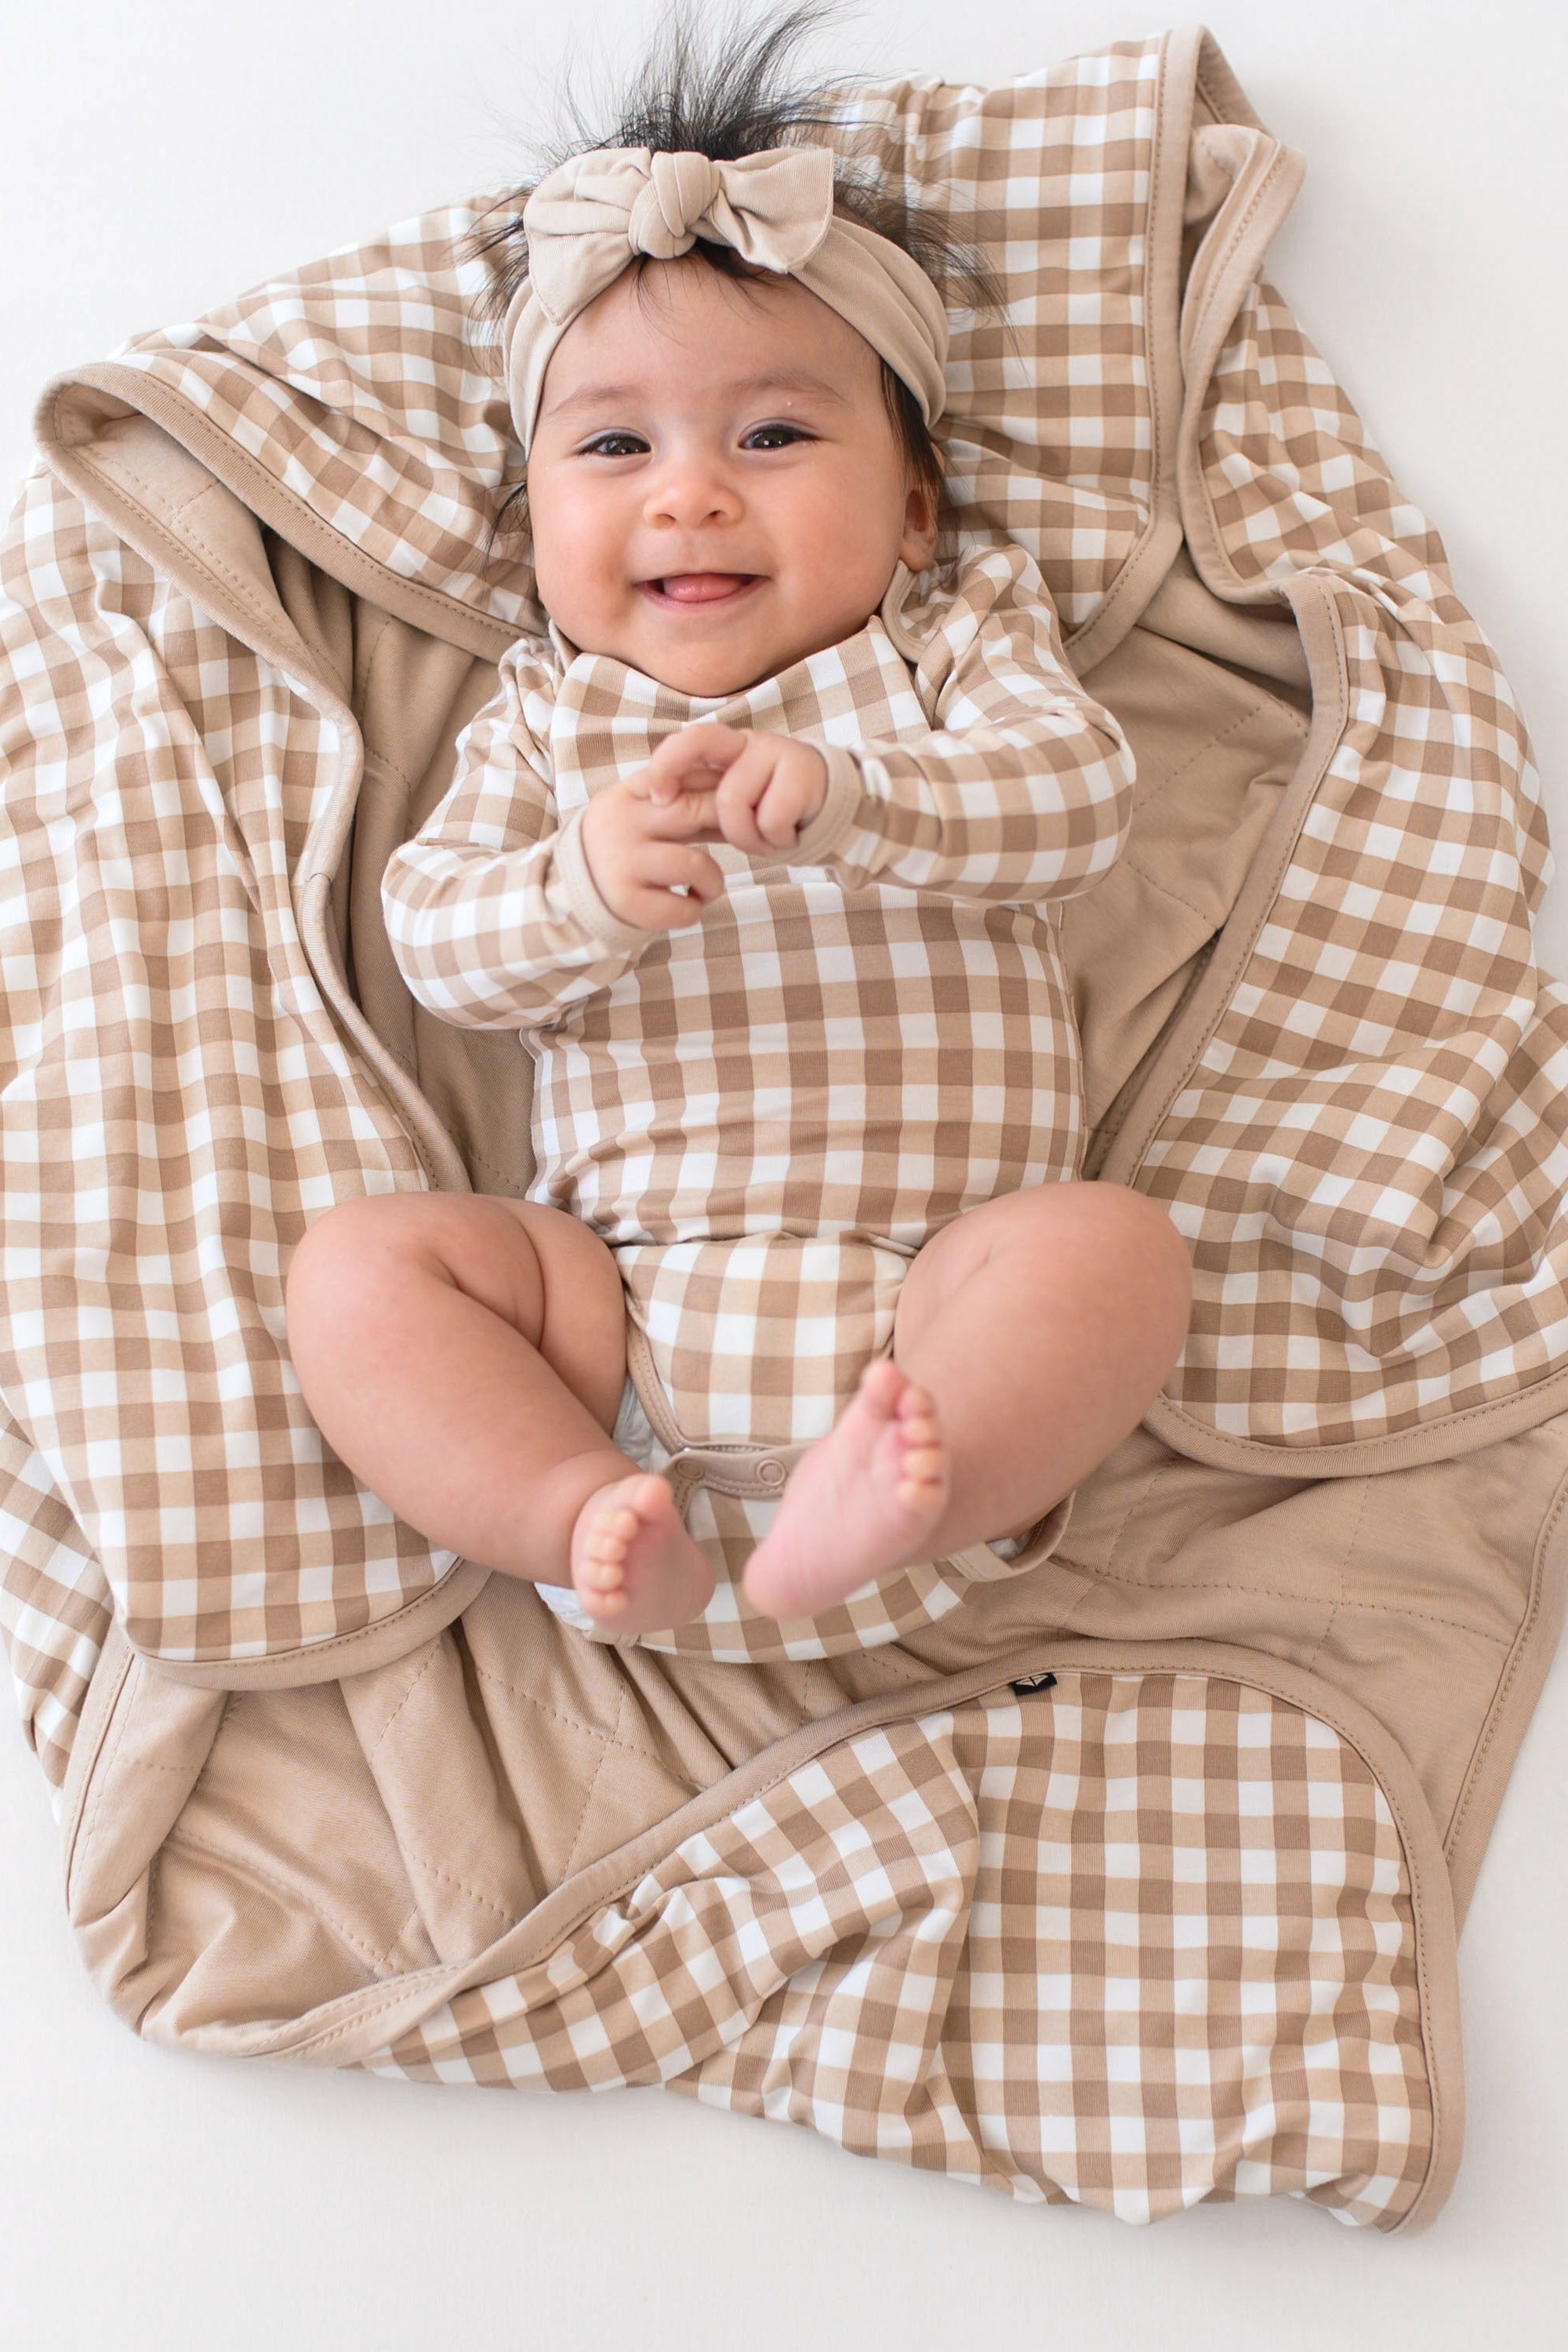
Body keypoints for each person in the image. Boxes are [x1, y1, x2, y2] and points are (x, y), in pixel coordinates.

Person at [283, 9, 1192, 1646]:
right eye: (616, 445)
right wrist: (581, 887)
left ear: (913, 507)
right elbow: (437, 943)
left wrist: (866, 800)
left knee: (1108, 1252)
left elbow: (1077, 804)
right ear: (538, 518)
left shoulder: (947, 646)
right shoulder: (552, 715)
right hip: (613, 1319)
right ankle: (569, 1505)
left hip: (936, 1297)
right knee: (359, 1271)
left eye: (771, 436)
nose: (689, 492)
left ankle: (909, 1492)